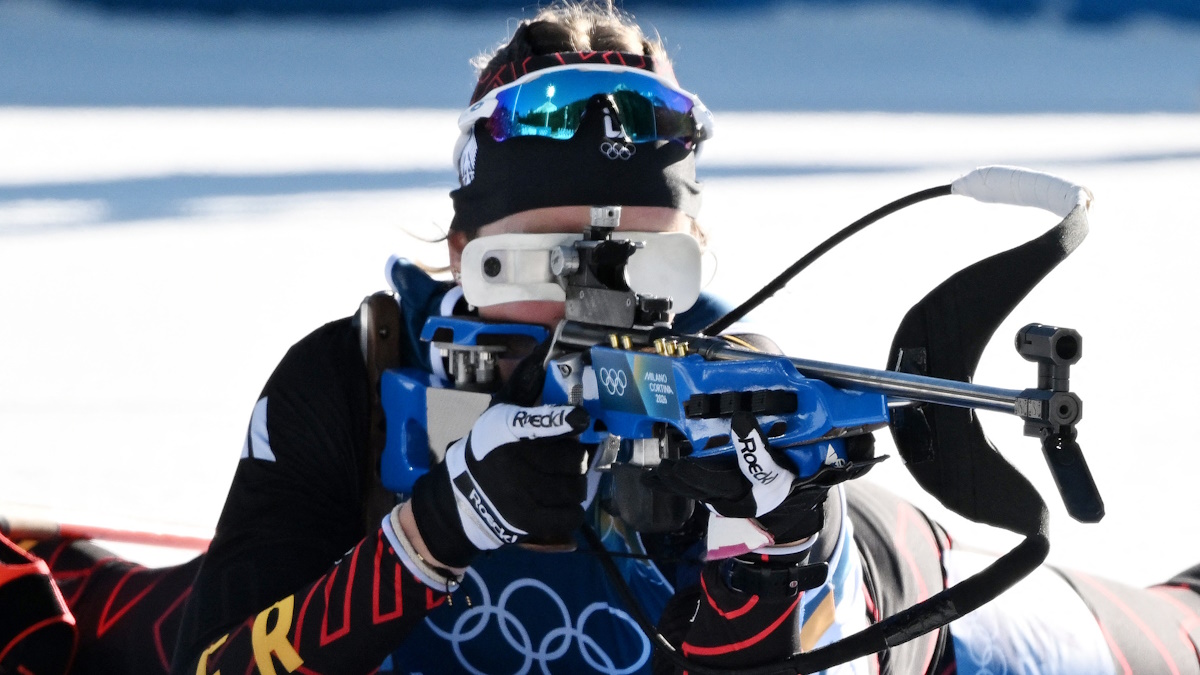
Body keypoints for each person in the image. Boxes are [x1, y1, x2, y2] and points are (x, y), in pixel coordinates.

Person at [4, 3, 1200, 674]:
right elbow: (218, 664)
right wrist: (433, 534)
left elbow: (819, 646)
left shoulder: (737, 403)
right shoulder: (355, 384)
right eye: (536, 263)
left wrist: (781, 549)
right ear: (459, 252)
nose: (591, 305)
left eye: (644, 265)